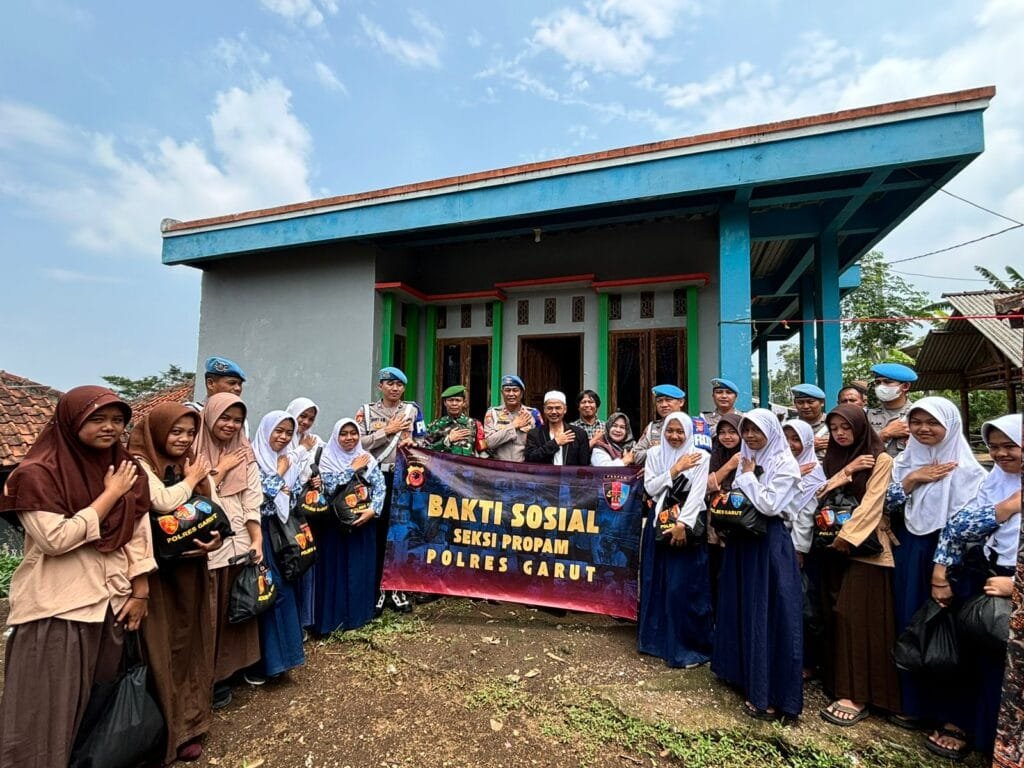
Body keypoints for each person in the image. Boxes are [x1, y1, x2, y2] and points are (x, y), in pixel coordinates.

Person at [0, 386, 154, 768]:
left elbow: (138, 532)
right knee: (44, 711)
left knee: (97, 706)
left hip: (111, 602)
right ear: (71, 421)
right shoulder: (37, 474)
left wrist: (141, 589)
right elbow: (55, 539)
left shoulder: (124, 466)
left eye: (117, 420)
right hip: (58, 607)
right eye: (97, 419)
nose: (110, 427)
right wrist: (110, 495)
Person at [884, 396, 986, 740]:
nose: (923, 429)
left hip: (954, 559)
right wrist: (913, 479)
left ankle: (953, 717)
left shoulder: (971, 472)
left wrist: (943, 568)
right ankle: (914, 703)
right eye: (916, 422)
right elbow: (887, 503)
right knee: (911, 621)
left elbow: (969, 524)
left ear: (950, 426)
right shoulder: (905, 461)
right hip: (912, 548)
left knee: (950, 629)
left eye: (932, 423)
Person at [128, 403, 222, 764]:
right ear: (157, 431)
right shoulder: (139, 464)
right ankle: (161, 734)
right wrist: (190, 479)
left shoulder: (188, 463)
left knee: (189, 642)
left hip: (190, 567)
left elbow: (211, 506)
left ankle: (190, 723)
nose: (184, 439)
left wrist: (214, 538)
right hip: (156, 575)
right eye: (176, 431)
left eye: (190, 432)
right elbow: (161, 502)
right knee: (160, 649)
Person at [929, 414, 1022, 758]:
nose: (1000, 454)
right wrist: (1007, 507)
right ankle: (969, 727)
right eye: (994, 447)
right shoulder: (994, 483)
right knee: (977, 657)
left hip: (1011, 583)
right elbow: (958, 527)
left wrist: (1016, 585)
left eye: (1010, 446)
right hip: (985, 576)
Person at [712, 409, 803, 721]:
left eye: (756, 430)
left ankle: (770, 692)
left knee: (768, 612)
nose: (750, 436)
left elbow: (770, 504)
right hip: (743, 541)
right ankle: (742, 675)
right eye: (746, 430)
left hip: (769, 544)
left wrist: (749, 477)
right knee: (743, 606)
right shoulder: (747, 458)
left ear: (772, 432)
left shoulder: (785, 464)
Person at [814, 405, 900, 728]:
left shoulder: (881, 459)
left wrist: (846, 538)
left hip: (866, 549)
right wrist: (846, 472)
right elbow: (818, 493)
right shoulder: (834, 459)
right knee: (836, 615)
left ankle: (860, 694)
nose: (840, 433)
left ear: (861, 427)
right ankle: (839, 684)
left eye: (846, 427)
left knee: (858, 618)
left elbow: (872, 505)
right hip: (830, 546)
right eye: (834, 428)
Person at [196, 393, 263, 708]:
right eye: (224, 417)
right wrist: (220, 471)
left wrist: (256, 539)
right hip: (208, 543)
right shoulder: (193, 450)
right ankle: (205, 678)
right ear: (210, 416)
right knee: (208, 613)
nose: (231, 425)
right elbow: (193, 496)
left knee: (233, 608)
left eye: (237, 420)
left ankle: (227, 673)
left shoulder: (244, 450)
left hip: (239, 541)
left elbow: (252, 497)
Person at [639, 412, 712, 668]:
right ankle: (656, 642)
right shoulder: (654, 454)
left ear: (689, 432)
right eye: (670, 430)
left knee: (682, 586)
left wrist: (683, 524)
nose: (674, 436)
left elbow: (698, 493)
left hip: (686, 526)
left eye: (680, 431)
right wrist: (675, 469)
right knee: (656, 581)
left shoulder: (700, 456)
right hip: (659, 522)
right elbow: (650, 488)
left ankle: (688, 647)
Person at [355, 366, 425, 615]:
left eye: (399, 385)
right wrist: (387, 431)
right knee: (377, 531)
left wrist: (414, 443)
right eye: (390, 384)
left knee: (400, 532)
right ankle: (377, 589)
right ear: (380, 386)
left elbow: (423, 440)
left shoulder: (412, 410)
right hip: (375, 477)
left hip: (403, 478)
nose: (395, 388)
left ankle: (397, 588)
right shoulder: (365, 412)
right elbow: (357, 443)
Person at [312, 418, 388, 634]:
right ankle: (333, 621)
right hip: (334, 525)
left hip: (363, 523)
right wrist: (351, 469)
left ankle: (358, 617)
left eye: (353, 433)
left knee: (359, 569)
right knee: (334, 571)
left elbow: (380, 486)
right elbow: (327, 489)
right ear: (336, 436)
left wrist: (373, 510)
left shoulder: (366, 457)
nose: (349, 438)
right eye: (343, 434)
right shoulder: (326, 458)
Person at [252, 411, 306, 679]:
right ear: (266, 431)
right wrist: (279, 475)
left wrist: (282, 482)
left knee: (284, 592)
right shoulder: (252, 459)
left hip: (280, 533)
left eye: (288, 433)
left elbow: (292, 496)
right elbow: (258, 499)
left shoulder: (282, 458)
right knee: (265, 594)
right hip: (258, 533)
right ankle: (266, 664)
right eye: (279, 431)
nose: (283, 437)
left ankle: (286, 659)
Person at [285, 396, 323, 631]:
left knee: (305, 560)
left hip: (304, 513)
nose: (306, 422)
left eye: (310, 418)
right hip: (282, 514)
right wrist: (301, 450)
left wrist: (317, 480)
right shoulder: (281, 439)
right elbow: (282, 471)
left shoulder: (315, 442)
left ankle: (303, 621)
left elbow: (320, 468)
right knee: (288, 562)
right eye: (302, 416)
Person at [781, 420, 826, 561]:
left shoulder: (812, 472)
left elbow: (805, 515)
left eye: (796, 439)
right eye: (785, 438)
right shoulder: (780, 463)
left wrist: (798, 549)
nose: (789, 444)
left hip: (792, 540)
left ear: (807, 442)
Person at [484, 374, 543, 462]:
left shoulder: (533, 414)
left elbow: (541, 443)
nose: (511, 394)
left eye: (515, 390)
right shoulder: (493, 413)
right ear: (502, 393)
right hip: (499, 466)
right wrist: (514, 425)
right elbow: (488, 443)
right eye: (507, 390)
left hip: (524, 467)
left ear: (521, 393)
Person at [525, 391, 592, 466]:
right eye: (549, 408)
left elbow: (584, 464)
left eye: (558, 408)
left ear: (565, 409)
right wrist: (555, 443)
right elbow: (530, 458)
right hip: (544, 473)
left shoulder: (579, 434)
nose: (554, 412)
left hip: (570, 474)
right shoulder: (534, 434)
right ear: (544, 410)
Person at [867, 362, 917, 456]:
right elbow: (858, 450)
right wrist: (884, 434)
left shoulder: (917, 414)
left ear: (905, 386)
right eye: (878, 383)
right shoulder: (867, 415)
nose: (881, 387)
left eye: (887, 382)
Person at [425, 385, 486, 456]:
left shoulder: (474, 424)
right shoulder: (435, 425)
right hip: (444, 463)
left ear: (464, 402)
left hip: (467, 463)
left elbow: (482, 450)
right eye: (450, 400)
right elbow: (423, 451)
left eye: (458, 400)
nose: (454, 404)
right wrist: (447, 440)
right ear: (445, 402)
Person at [633, 384, 686, 465]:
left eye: (668, 400)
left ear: (681, 402)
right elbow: (636, 456)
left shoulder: (694, 426)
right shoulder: (652, 427)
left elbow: (701, 455)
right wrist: (657, 452)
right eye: (659, 401)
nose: (663, 405)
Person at [791, 383, 829, 457]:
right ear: (795, 404)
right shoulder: (789, 427)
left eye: (810, 402)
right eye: (800, 403)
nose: (805, 406)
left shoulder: (833, 423)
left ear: (822, 402)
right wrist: (808, 447)